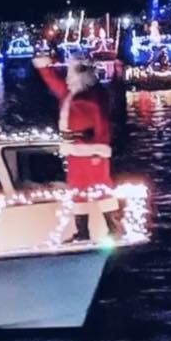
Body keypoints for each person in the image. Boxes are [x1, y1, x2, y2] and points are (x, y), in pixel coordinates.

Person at [33, 55, 115, 240]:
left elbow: (102, 124)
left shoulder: (96, 96)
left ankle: (113, 227)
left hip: (92, 150)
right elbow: (53, 82)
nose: (68, 76)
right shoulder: (68, 93)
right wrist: (44, 68)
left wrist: (100, 147)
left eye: (72, 72)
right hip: (73, 149)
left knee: (101, 187)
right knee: (77, 189)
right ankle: (83, 232)